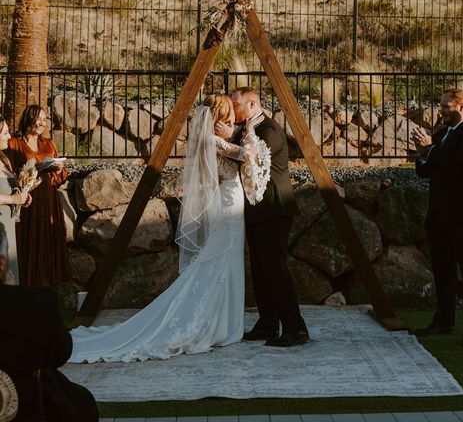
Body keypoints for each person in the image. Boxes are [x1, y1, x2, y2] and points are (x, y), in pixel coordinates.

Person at [69, 94, 269, 363]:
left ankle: (226, 326)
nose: (234, 114)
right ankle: (213, 326)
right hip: (226, 203)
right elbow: (247, 154)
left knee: (225, 261)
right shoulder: (212, 139)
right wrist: (246, 130)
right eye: (230, 113)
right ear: (220, 118)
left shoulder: (211, 137)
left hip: (229, 200)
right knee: (219, 262)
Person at [228, 87, 309, 347]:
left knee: (276, 270)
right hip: (257, 211)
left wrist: (228, 138)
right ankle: (268, 324)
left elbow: (252, 159)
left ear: (252, 104)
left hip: (275, 209)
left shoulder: (270, 131)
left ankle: (295, 328)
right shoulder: (247, 130)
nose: (233, 109)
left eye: (237, 104)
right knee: (261, 271)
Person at [0, 223, 99, 422]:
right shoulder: (36, 301)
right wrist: (14, 293)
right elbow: (60, 353)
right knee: (82, 403)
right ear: (2, 263)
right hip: (29, 409)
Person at [411, 88, 463, 347]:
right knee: (442, 271)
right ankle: (443, 320)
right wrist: (420, 154)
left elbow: (458, 166)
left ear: (461, 107)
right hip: (438, 216)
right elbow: (426, 172)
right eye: (441, 106)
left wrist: (430, 151)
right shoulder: (440, 135)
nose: (441, 111)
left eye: (446, 107)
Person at [7, 105, 70, 286]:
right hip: (28, 201)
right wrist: (28, 171)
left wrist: (59, 168)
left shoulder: (48, 143)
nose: (42, 123)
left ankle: (48, 284)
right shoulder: (14, 143)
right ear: (29, 119)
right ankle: (28, 284)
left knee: (48, 238)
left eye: (45, 119)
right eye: (38, 119)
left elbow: (60, 179)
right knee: (29, 240)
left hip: (48, 199)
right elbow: (7, 170)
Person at [0, 118, 31, 285]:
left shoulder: (4, 160)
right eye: (5, 133)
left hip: (8, 227)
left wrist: (21, 198)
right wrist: (12, 199)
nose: (9, 136)